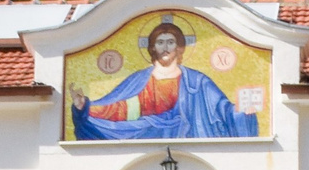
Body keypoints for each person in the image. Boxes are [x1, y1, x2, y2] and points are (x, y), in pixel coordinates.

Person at [69, 17, 260, 141]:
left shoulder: (197, 82)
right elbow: (120, 108)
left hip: (185, 133)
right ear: (152, 47)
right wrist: (83, 106)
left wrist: (244, 111)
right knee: (127, 128)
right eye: (160, 42)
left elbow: (223, 109)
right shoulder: (139, 80)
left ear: (180, 47)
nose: (165, 47)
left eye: (171, 42)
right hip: (145, 131)